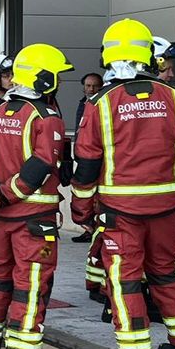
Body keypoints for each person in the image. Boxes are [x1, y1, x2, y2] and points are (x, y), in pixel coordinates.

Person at [71, 19, 175, 349]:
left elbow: (86, 167)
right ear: (148, 55)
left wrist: (81, 212)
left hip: (120, 212)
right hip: (167, 207)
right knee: (166, 272)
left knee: (126, 282)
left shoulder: (100, 104)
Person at [0, 44, 75, 349]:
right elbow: (42, 164)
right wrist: (7, 193)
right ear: (44, 79)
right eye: (57, 75)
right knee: (32, 283)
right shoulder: (48, 119)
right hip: (33, 218)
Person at [68, 72, 104, 235]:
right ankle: (89, 229)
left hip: (97, 160)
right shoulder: (82, 104)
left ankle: (94, 228)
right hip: (83, 155)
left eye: (95, 85)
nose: (91, 89)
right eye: (88, 85)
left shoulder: (102, 104)